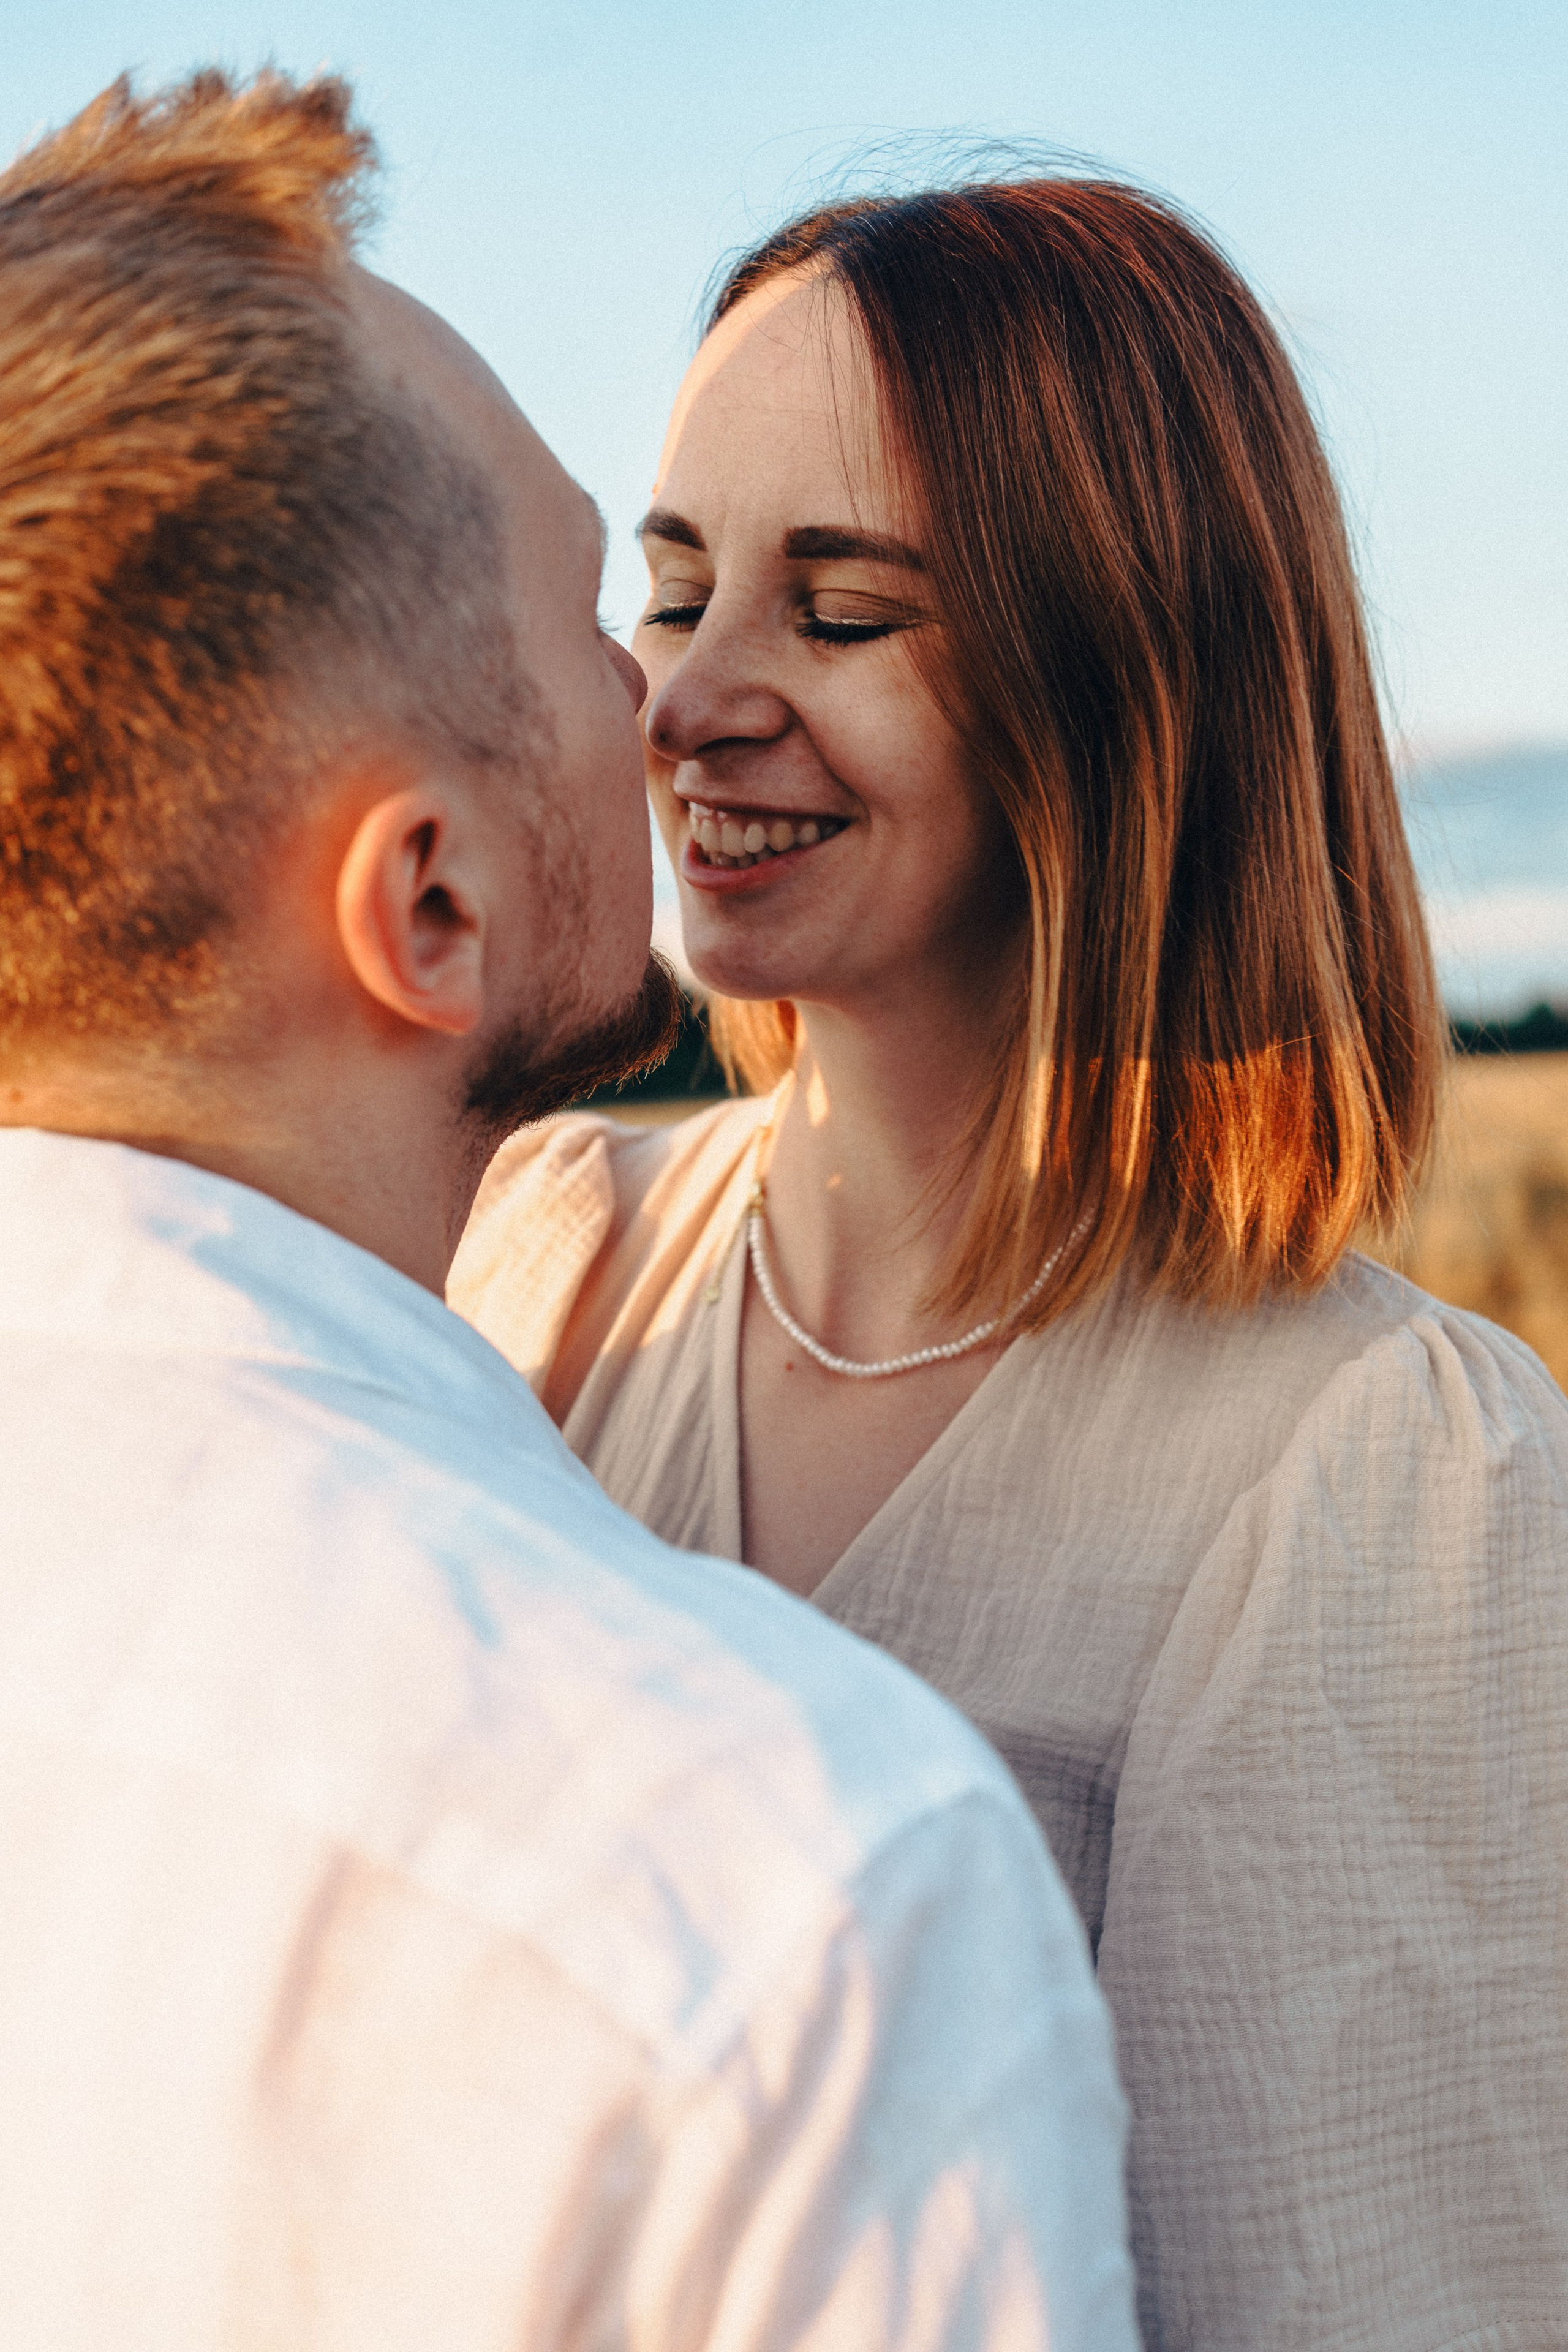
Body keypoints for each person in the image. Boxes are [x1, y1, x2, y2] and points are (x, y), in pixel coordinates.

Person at [0, 77, 1139, 2352]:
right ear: (423, 899)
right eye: (598, 613)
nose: (672, 703)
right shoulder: (791, 1899)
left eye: (828, 604)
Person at [450, 179, 1568, 2350]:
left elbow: (1361, 2288)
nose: (693, 704)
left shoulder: (1389, 1480)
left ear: (1125, 668)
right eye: (674, 594)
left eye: (842, 613)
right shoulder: (544, 1253)